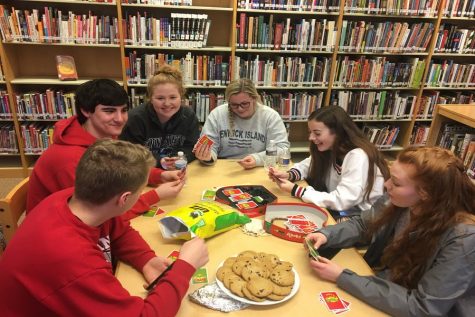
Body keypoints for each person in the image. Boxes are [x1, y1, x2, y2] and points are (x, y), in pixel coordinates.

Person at [0, 139, 209, 316]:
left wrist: (146, 259)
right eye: (141, 190)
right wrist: (185, 266)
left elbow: (117, 228)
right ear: (125, 199)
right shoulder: (73, 260)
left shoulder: (73, 198)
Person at [307, 146, 475, 316]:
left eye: (396, 182)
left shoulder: (463, 239)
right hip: (388, 288)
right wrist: (326, 235)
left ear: (425, 193)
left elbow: (423, 307)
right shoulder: (402, 200)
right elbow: (364, 225)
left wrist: (343, 277)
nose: (387, 186)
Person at [26, 79, 185, 219]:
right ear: (86, 111)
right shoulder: (71, 160)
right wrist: (155, 196)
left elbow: (122, 168)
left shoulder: (101, 134)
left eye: (123, 110)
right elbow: (101, 217)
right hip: (56, 230)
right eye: (109, 111)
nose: (120, 119)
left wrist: (160, 175)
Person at [269, 106, 389, 220]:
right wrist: (289, 175)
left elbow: (343, 200)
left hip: (362, 218)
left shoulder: (358, 156)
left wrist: (297, 190)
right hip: (343, 210)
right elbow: (307, 165)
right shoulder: (330, 148)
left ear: (337, 132)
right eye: (310, 132)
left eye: (317, 133)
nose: (311, 137)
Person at [193, 78, 290, 169]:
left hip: (258, 167)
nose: (239, 109)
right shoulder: (217, 114)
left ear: (254, 99)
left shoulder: (270, 116)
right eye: (234, 105)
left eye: (244, 104)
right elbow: (210, 147)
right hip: (223, 167)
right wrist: (208, 156)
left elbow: (282, 148)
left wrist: (257, 159)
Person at [120, 64, 200, 170]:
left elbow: (192, 147)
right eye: (160, 98)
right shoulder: (135, 119)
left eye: (173, 97)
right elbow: (131, 154)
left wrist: (180, 158)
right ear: (150, 98)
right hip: (145, 172)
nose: (167, 103)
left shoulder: (189, 116)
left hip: (179, 169)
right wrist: (159, 161)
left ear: (181, 97)